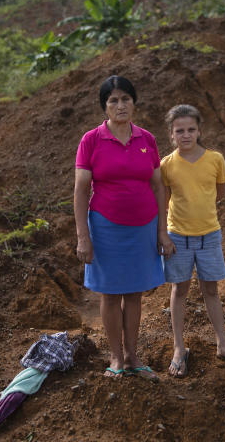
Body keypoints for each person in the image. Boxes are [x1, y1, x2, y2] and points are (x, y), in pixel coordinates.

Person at [74, 75, 175, 380]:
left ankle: (133, 356)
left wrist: (161, 230)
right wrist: (83, 237)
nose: (121, 105)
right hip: (105, 228)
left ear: (134, 102)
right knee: (109, 294)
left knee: (134, 294)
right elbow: (80, 190)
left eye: (126, 99)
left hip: (143, 228)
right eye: (113, 100)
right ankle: (115, 357)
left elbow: (158, 187)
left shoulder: (146, 139)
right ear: (104, 106)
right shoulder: (91, 140)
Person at [160, 104, 225, 377]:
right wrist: (164, 236)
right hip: (178, 238)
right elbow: (164, 201)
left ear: (199, 131)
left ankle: (222, 343)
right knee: (180, 291)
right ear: (171, 135)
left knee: (211, 290)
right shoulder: (166, 165)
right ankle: (178, 347)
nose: (185, 135)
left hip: (209, 236)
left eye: (190, 129)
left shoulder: (215, 160)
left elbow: (219, 194)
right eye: (179, 131)